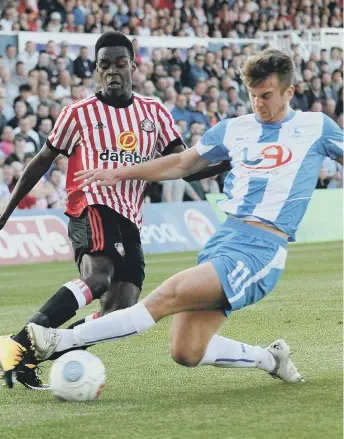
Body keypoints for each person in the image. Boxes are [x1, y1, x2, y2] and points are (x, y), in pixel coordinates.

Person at [5, 49, 344, 390]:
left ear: (290, 91)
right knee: (185, 349)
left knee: (163, 297)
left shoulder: (316, 127)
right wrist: (119, 173)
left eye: (267, 96)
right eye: (253, 96)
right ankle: (271, 359)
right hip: (223, 239)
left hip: (261, 247)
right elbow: (181, 164)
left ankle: (53, 340)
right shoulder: (233, 129)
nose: (258, 104)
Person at [0, 31, 190, 390]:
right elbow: (41, 161)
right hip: (90, 205)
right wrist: (6, 211)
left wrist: (227, 160)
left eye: (121, 64)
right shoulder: (78, 113)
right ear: (97, 70)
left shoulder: (154, 112)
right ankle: (18, 344)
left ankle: (32, 353)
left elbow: (184, 161)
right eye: (105, 65)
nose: (113, 72)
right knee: (99, 277)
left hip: (130, 215)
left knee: (121, 310)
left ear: (133, 66)